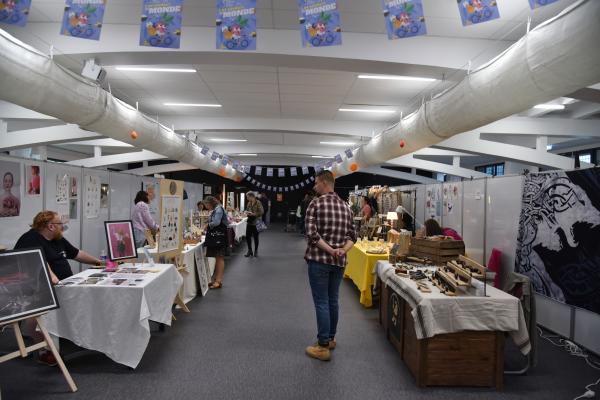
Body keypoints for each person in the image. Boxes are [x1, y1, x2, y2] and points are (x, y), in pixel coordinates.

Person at [14, 210, 104, 366]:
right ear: (50, 226)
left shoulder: (57, 239)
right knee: (37, 312)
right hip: (36, 287)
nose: (63, 227)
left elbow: (76, 253)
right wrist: (53, 278)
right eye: (60, 224)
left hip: (63, 285)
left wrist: (99, 263)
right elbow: (39, 264)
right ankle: (44, 351)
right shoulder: (30, 240)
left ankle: (76, 334)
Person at [304, 170, 356, 361]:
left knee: (322, 302)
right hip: (339, 262)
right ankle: (331, 338)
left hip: (319, 260)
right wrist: (342, 250)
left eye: (316, 183)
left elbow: (312, 235)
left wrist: (330, 250)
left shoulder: (315, 204)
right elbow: (353, 237)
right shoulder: (346, 207)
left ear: (325, 183)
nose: (314, 187)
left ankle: (323, 345)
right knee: (333, 300)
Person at [203, 196, 228, 289]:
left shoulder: (218, 209)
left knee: (220, 258)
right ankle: (217, 279)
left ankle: (218, 281)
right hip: (218, 236)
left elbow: (217, 222)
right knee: (218, 258)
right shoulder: (217, 209)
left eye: (206, 205)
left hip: (219, 237)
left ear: (210, 203)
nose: (206, 207)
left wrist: (208, 225)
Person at [244, 191, 264, 257]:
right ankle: (250, 250)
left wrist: (254, 214)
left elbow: (262, 212)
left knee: (255, 237)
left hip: (256, 222)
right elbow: (246, 210)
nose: (247, 198)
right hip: (250, 221)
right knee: (247, 236)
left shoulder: (258, 202)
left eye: (247, 197)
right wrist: (246, 212)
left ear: (251, 196)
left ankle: (256, 251)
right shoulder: (249, 203)